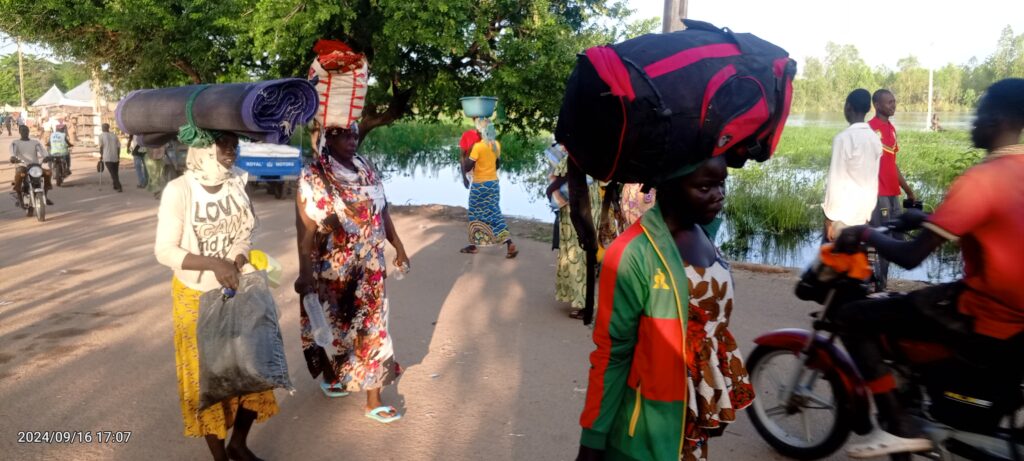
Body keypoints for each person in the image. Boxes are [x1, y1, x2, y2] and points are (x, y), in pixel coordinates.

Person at [833, 78, 1024, 458]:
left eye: (981, 111)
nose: (974, 120)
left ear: (1000, 118)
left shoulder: (982, 179)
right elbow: (989, 220)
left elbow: (910, 257)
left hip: (986, 313)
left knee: (854, 316)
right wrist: (922, 218)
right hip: (1015, 313)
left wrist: (867, 232)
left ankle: (900, 424)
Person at [577, 155, 754, 461]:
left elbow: (711, 329)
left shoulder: (706, 233)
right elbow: (612, 354)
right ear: (668, 187)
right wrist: (591, 444)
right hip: (647, 427)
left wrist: (715, 395)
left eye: (721, 183)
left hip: (695, 417)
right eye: (704, 186)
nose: (719, 193)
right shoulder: (632, 255)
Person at [154, 132, 275, 461]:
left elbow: (244, 233)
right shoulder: (180, 191)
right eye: (223, 142)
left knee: (256, 370)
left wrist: (237, 258)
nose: (231, 150)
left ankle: (239, 444)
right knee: (211, 381)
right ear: (204, 147)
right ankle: (219, 456)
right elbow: (164, 251)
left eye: (234, 143)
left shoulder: (237, 182)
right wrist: (213, 264)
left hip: (236, 290)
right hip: (196, 297)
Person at [294, 122, 409, 423]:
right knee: (333, 327)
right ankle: (332, 377)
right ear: (328, 138)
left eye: (355, 135)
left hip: (370, 269)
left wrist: (398, 245)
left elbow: (382, 210)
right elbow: (306, 229)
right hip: (334, 270)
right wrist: (305, 273)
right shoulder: (314, 174)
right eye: (344, 135)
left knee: (374, 328)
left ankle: (373, 399)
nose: (352, 140)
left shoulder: (367, 168)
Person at [868, 89, 915, 290]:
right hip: (878, 194)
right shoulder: (869, 129)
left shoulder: (892, 128)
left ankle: (874, 280)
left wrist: (908, 190)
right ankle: (880, 287)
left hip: (893, 194)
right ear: (877, 105)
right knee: (883, 241)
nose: (893, 105)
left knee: (898, 238)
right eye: (889, 102)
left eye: (894, 102)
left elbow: (892, 165)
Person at [822, 89, 882, 241]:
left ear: (848, 107)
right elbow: (873, 181)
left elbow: (835, 181)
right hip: (863, 215)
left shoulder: (843, 139)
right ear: (868, 109)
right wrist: (867, 214)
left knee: (832, 261)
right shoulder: (874, 139)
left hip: (842, 218)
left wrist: (829, 219)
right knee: (856, 260)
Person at [547, 154, 602, 319]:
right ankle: (583, 301)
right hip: (588, 204)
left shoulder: (577, 154)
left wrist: (551, 190)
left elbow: (559, 176)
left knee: (578, 253)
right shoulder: (598, 156)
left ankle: (585, 304)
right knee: (581, 253)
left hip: (579, 206)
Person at [459, 119, 518, 257]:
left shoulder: (478, 147)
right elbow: (497, 165)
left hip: (480, 185)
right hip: (494, 183)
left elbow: (468, 167)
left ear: (480, 131)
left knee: (474, 213)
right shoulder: (496, 145)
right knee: (494, 212)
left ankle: (474, 246)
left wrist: (465, 160)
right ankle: (509, 243)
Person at [9, 124, 54, 206]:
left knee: (48, 173)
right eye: (22, 131)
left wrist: (47, 157)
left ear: (28, 131)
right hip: (22, 166)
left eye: (26, 130)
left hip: (35, 166)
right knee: (19, 174)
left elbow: (42, 151)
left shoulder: (35, 142)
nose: (25, 132)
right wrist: (13, 157)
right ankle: (19, 197)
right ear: (20, 132)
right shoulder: (16, 143)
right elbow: (13, 152)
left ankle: (45, 196)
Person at [98, 123, 122, 192]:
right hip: (115, 156)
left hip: (107, 156)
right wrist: (118, 155)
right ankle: (115, 185)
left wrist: (101, 155)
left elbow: (101, 147)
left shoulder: (101, 136)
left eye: (102, 127)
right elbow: (118, 147)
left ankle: (119, 186)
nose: (102, 128)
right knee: (115, 172)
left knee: (113, 173)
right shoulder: (114, 135)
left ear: (104, 128)